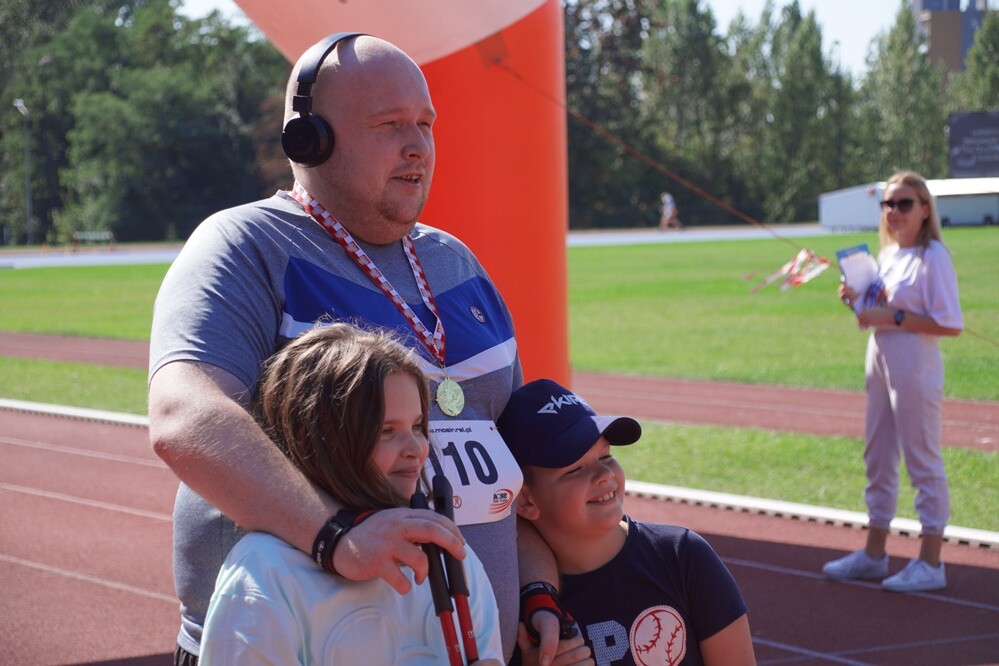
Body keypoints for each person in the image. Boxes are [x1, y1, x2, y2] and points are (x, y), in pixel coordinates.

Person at [148, 33, 576, 665]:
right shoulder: (245, 246)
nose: (418, 146)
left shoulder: (457, 263)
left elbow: (512, 470)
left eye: (426, 125)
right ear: (310, 139)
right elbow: (184, 415)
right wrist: (333, 534)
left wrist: (537, 590)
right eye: (389, 125)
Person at [200, 323, 503, 664]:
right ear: (312, 438)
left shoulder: (449, 554)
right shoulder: (266, 571)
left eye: (417, 426)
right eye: (387, 431)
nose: (416, 448)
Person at [497, 379, 756, 666]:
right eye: (575, 469)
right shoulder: (524, 614)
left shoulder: (682, 556)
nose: (604, 474)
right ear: (525, 500)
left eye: (606, 455)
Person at [824, 171, 963, 592]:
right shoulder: (887, 256)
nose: (895, 211)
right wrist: (857, 301)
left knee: (922, 457)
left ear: (924, 209)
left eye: (905, 203)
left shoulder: (932, 256)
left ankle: (931, 561)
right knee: (877, 455)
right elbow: (876, 312)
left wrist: (895, 317)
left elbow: (950, 324)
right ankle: (874, 553)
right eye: (888, 204)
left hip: (914, 360)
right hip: (881, 353)